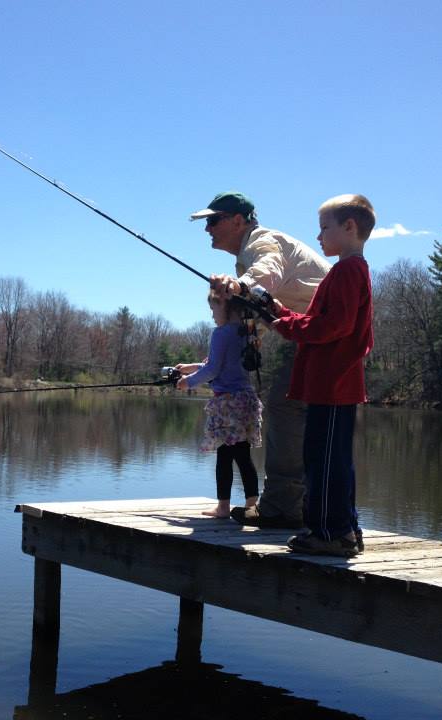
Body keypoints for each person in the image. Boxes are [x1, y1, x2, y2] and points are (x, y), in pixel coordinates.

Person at [191, 191, 330, 528]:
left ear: (239, 220)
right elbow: (258, 319)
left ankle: (283, 507)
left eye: (214, 220)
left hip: (321, 336)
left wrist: (241, 285)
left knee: (285, 406)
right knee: (298, 413)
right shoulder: (246, 255)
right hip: (317, 337)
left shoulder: (262, 242)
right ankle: (304, 504)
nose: (207, 229)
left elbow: (268, 271)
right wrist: (204, 366)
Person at [269, 194, 375, 557]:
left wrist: (285, 324)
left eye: (324, 228)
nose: (318, 237)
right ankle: (345, 530)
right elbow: (322, 321)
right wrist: (280, 312)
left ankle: (330, 535)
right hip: (334, 385)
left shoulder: (347, 271)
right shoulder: (350, 271)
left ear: (349, 227)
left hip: (333, 384)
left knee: (324, 462)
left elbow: (334, 327)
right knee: (332, 460)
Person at [175, 290, 263, 518]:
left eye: (214, 309)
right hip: (246, 400)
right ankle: (252, 504)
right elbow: (224, 364)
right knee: (243, 455)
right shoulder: (248, 331)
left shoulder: (221, 333)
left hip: (227, 403)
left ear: (227, 307)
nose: (212, 315)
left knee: (224, 455)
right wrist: (192, 366)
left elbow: (214, 369)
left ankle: (223, 507)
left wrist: (189, 382)